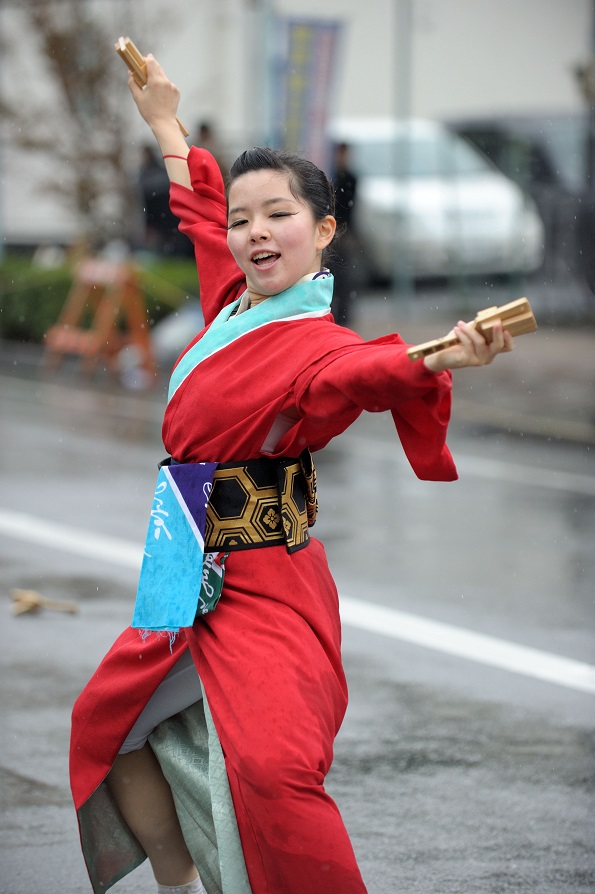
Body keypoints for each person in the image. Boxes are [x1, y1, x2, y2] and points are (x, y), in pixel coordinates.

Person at [69, 55, 514, 894]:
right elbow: (200, 215)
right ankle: (183, 883)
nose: (254, 231)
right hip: (181, 567)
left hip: (264, 580)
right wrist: (165, 120)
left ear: (325, 229)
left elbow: (362, 377)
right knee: (108, 726)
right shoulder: (233, 304)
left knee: (274, 771)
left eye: (279, 214)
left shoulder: (316, 344)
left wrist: (437, 359)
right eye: (247, 220)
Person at [330, 141, 359, 325]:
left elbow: (349, 208)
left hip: (344, 233)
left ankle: (344, 319)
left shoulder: (349, 178)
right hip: (331, 234)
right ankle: (334, 316)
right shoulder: (330, 175)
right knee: (332, 278)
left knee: (345, 280)